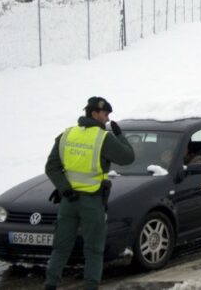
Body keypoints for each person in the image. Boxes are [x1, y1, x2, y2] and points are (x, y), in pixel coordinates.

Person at [43, 96, 134, 290]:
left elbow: (51, 167)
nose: (108, 119)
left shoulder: (66, 135)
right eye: (105, 114)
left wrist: (64, 189)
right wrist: (120, 135)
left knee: (61, 247)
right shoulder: (104, 138)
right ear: (94, 114)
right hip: (92, 202)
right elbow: (128, 158)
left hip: (69, 201)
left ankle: (50, 285)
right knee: (93, 250)